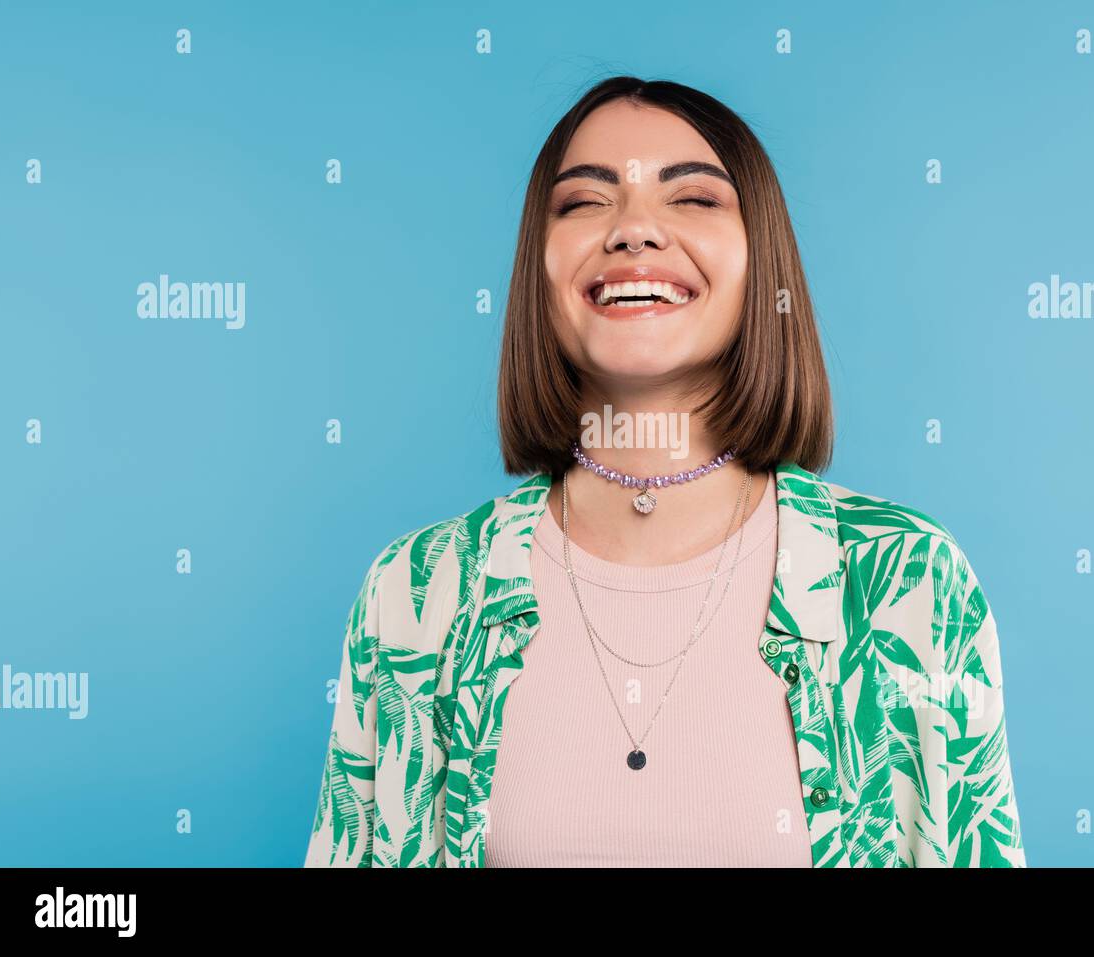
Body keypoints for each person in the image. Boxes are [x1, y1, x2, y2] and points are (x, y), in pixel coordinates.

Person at [305, 75, 1026, 868]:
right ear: (536, 271)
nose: (634, 230)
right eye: (583, 201)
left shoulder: (908, 582)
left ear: (763, 263)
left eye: (693, 199)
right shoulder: (416, 595)